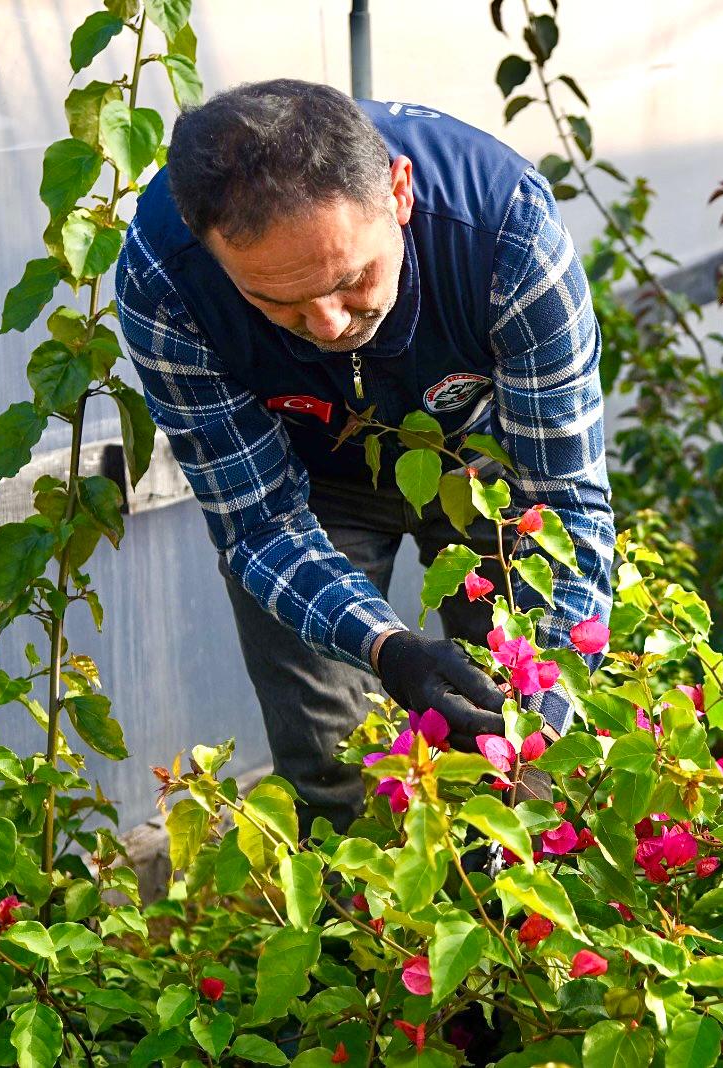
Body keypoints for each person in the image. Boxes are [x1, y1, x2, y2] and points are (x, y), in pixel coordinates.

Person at [115, 80, 614, 832]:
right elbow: (259, 525)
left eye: (351, 280)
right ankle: (362, 937)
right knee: (329, 765)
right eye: (276, 300)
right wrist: (386, 650)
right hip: (308, 490)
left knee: (522, 746)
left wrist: (543, 715)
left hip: (487, 471)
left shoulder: (507, 236)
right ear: (214, 254)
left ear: (400, 194)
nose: (327, 322)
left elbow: (565, 505)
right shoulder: (167, 281)